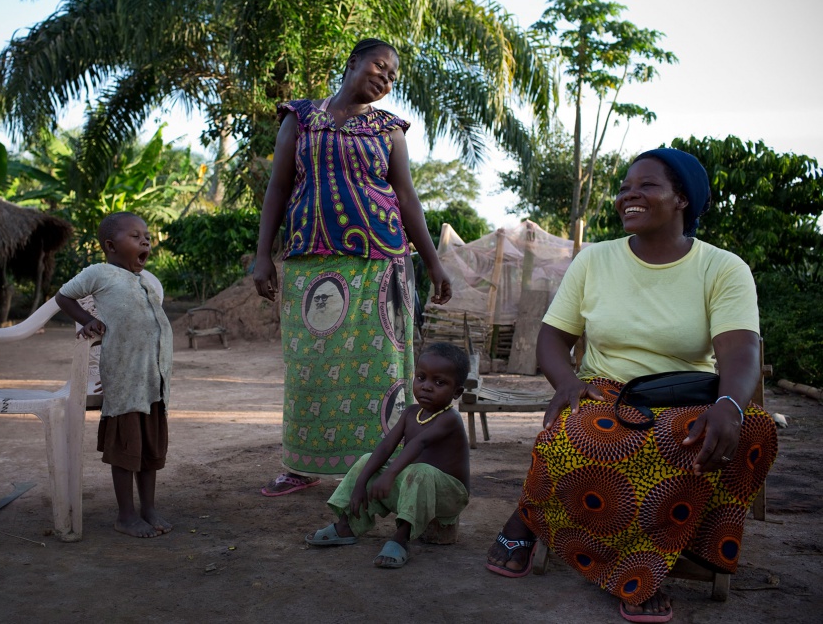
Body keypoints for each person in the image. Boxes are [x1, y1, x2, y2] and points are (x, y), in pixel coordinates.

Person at [484, 148, 778, 623]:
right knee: (582, 434)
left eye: (647, 186)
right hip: (607, 390)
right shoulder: (595, 259)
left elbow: (741, 351)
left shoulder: (723, 268)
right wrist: (566, 382)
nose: (629, 196)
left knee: (748, 432)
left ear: (682, 199)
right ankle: (551, 526)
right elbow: (553, 337)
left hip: (686, 393)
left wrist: (729, 404)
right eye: (624, 188)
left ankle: (652, 555)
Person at [253, 38, 452, 496]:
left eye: (392, 76)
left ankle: (374, 464)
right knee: (309, 364)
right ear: (353, 63)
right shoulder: (300, 118)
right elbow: (278, 189)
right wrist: (263, 254)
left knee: (382, 371)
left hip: (382, 263)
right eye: (379, 67)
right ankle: (300, 465)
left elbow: (407, 200)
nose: (384, 78)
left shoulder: (390, 129)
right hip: (311, 259)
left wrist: (434, 265)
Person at [55, 211, 174, 538]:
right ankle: (125, 514)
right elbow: (63, 296)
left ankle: (148, 508)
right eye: (135, 236)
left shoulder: (147, 280)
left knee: (150, 450)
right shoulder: (99, 273)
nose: (145, 240)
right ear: (110, 245)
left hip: (152, 381)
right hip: (122, 382)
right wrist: (86, 319)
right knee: (126, 450)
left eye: (146, 236)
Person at [304, 342, 470, 568]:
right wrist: (361, 482)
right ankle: (346, 525)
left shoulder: (450, 418)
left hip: (448, 494)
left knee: (419, 472)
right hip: (414, 485)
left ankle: (401, 539)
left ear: (457, 392)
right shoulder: (411, 413)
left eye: (439, 382)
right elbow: (385, 447)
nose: (427, 387)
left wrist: (391, 474)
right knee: (367, 460)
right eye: (421, 378)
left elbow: (420, 443)